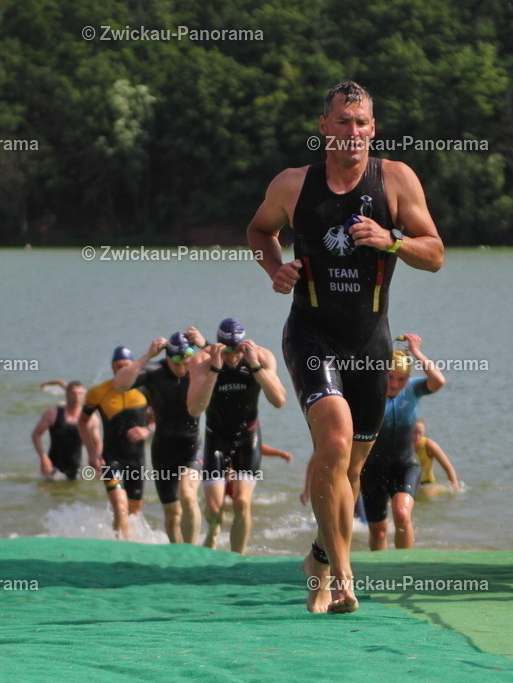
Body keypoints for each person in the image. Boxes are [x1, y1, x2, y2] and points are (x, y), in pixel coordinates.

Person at [247, 81, 443, 612]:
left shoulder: (396, 179)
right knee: (332, 445)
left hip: (370, 342)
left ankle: (318, 557)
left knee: (351, 469)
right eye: (342, 121)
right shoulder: (293, 184)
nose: (352, 131)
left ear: (372, 129)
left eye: (361, 123)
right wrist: (275, 268)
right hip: (311, 333)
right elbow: (259, 231)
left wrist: (391, 239)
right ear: (324, 126)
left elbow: (435, 254)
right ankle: (342, 577)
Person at [186, 318, 286, 555]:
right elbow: (195, 410)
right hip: (216, 437)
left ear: (245, 345)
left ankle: (237, 559)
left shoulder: (262, 357)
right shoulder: (202, 361)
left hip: (248, 436)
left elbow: (279, 401)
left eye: (238, 350)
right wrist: (215, 369)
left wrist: (255, 367)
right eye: (227, 351)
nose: (233, 356)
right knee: (214, 509)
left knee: (242, 502)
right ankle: (213, 530)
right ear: (218, 346)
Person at [113, 330, 205, 544]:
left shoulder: (199, 369)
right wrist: (146, 356)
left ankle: (192, 552)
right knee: (172, 512)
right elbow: (119, 384)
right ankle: (177, 551)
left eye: (186, 363)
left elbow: (228, 364)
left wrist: (205, 344)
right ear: (167, 357)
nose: (182, 369)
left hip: (191, 446)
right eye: (176, 364)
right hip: (163, 450)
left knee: (188, 495)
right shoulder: (154, 372)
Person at [361, 336, 445, 550]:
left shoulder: (414, 389)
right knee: (378, 530)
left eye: (401, 379)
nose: (395, 384)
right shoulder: (370, 390)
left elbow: (439, 381)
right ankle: (381, 566)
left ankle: (405, 564)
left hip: (405, 465)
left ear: (408, 378)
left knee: (401, 514)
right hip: (372, 469)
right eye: (390, 377)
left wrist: (416, 353)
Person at [79, 346, 152, 541]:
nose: (122, 369)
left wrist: (148, 430)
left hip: (137, 460)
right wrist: (92, 453)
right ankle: (124, 549)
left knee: (133, 513)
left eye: (126, 365)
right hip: (111, 458)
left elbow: (160, 417)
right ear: (112, 367)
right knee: (120, 506)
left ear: (133, 366)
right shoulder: (98, 392)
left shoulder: (146, 389)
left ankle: (119, 541)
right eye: (119, 366)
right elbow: (82, 422)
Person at [31, 381, 93, 480]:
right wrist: (43, 457)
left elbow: (97, 442)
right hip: (52, 467)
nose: (77, 397)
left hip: (76, 469)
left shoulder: (89, 418)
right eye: (73, 394)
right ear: (66, 394)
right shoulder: (52, 414)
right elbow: (36, 435)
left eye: (80, 394)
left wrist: (96, 459)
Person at [413, 420, 459, 494]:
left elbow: (448, 468)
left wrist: (455, 489)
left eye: (420, 433)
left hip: (426, 485)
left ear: (424, 433)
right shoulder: (402, 446)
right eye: (414, 432)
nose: (416, 436)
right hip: (408, 484)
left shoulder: (430, 446)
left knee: (427, 493)